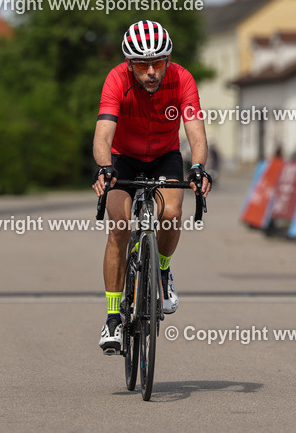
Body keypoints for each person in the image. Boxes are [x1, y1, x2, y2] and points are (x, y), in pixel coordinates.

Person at [91, 20, 212, 354]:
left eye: (158, 63)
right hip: (123, 158)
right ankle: (113, 317)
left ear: (168, 59)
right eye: (142, 65)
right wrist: (105, 167)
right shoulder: (116, 79)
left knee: (172, 213)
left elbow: (196, 132)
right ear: (129, 64)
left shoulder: (182, 78)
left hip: (164, 156)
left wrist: (199, 167)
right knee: (118, 226)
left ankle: (162, 270)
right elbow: (103, 135)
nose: (151, 72)